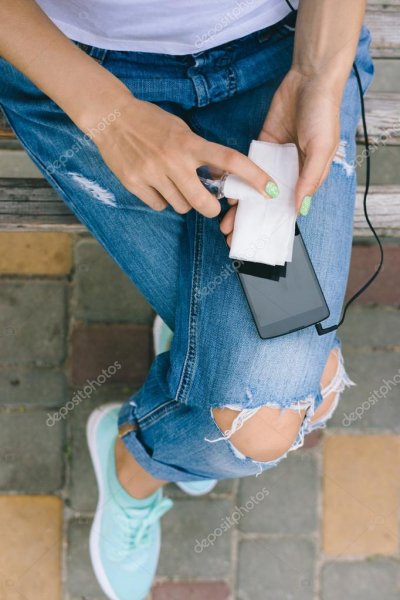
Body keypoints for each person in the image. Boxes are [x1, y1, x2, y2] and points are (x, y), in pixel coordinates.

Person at [0, 1, 373, 598]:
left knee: (273, 406)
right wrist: (113, 116)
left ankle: (151, 441)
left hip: (284, 54)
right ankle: (161, 426)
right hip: (79, 73)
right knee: (286, 404)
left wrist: (317, 76)